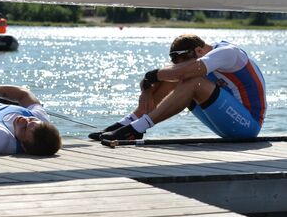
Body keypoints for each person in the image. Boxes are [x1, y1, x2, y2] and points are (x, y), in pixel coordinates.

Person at [90, 34, 266, 141]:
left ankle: (138, 128)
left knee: (191, 80)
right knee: (174, 77)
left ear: (199, 51)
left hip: (248, 126)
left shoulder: (228, 53)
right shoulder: (201, 56)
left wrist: (153, 75)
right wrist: (148, 87)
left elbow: (183, 72)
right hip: (229, 123)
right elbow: (174, 73)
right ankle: (128, 123)